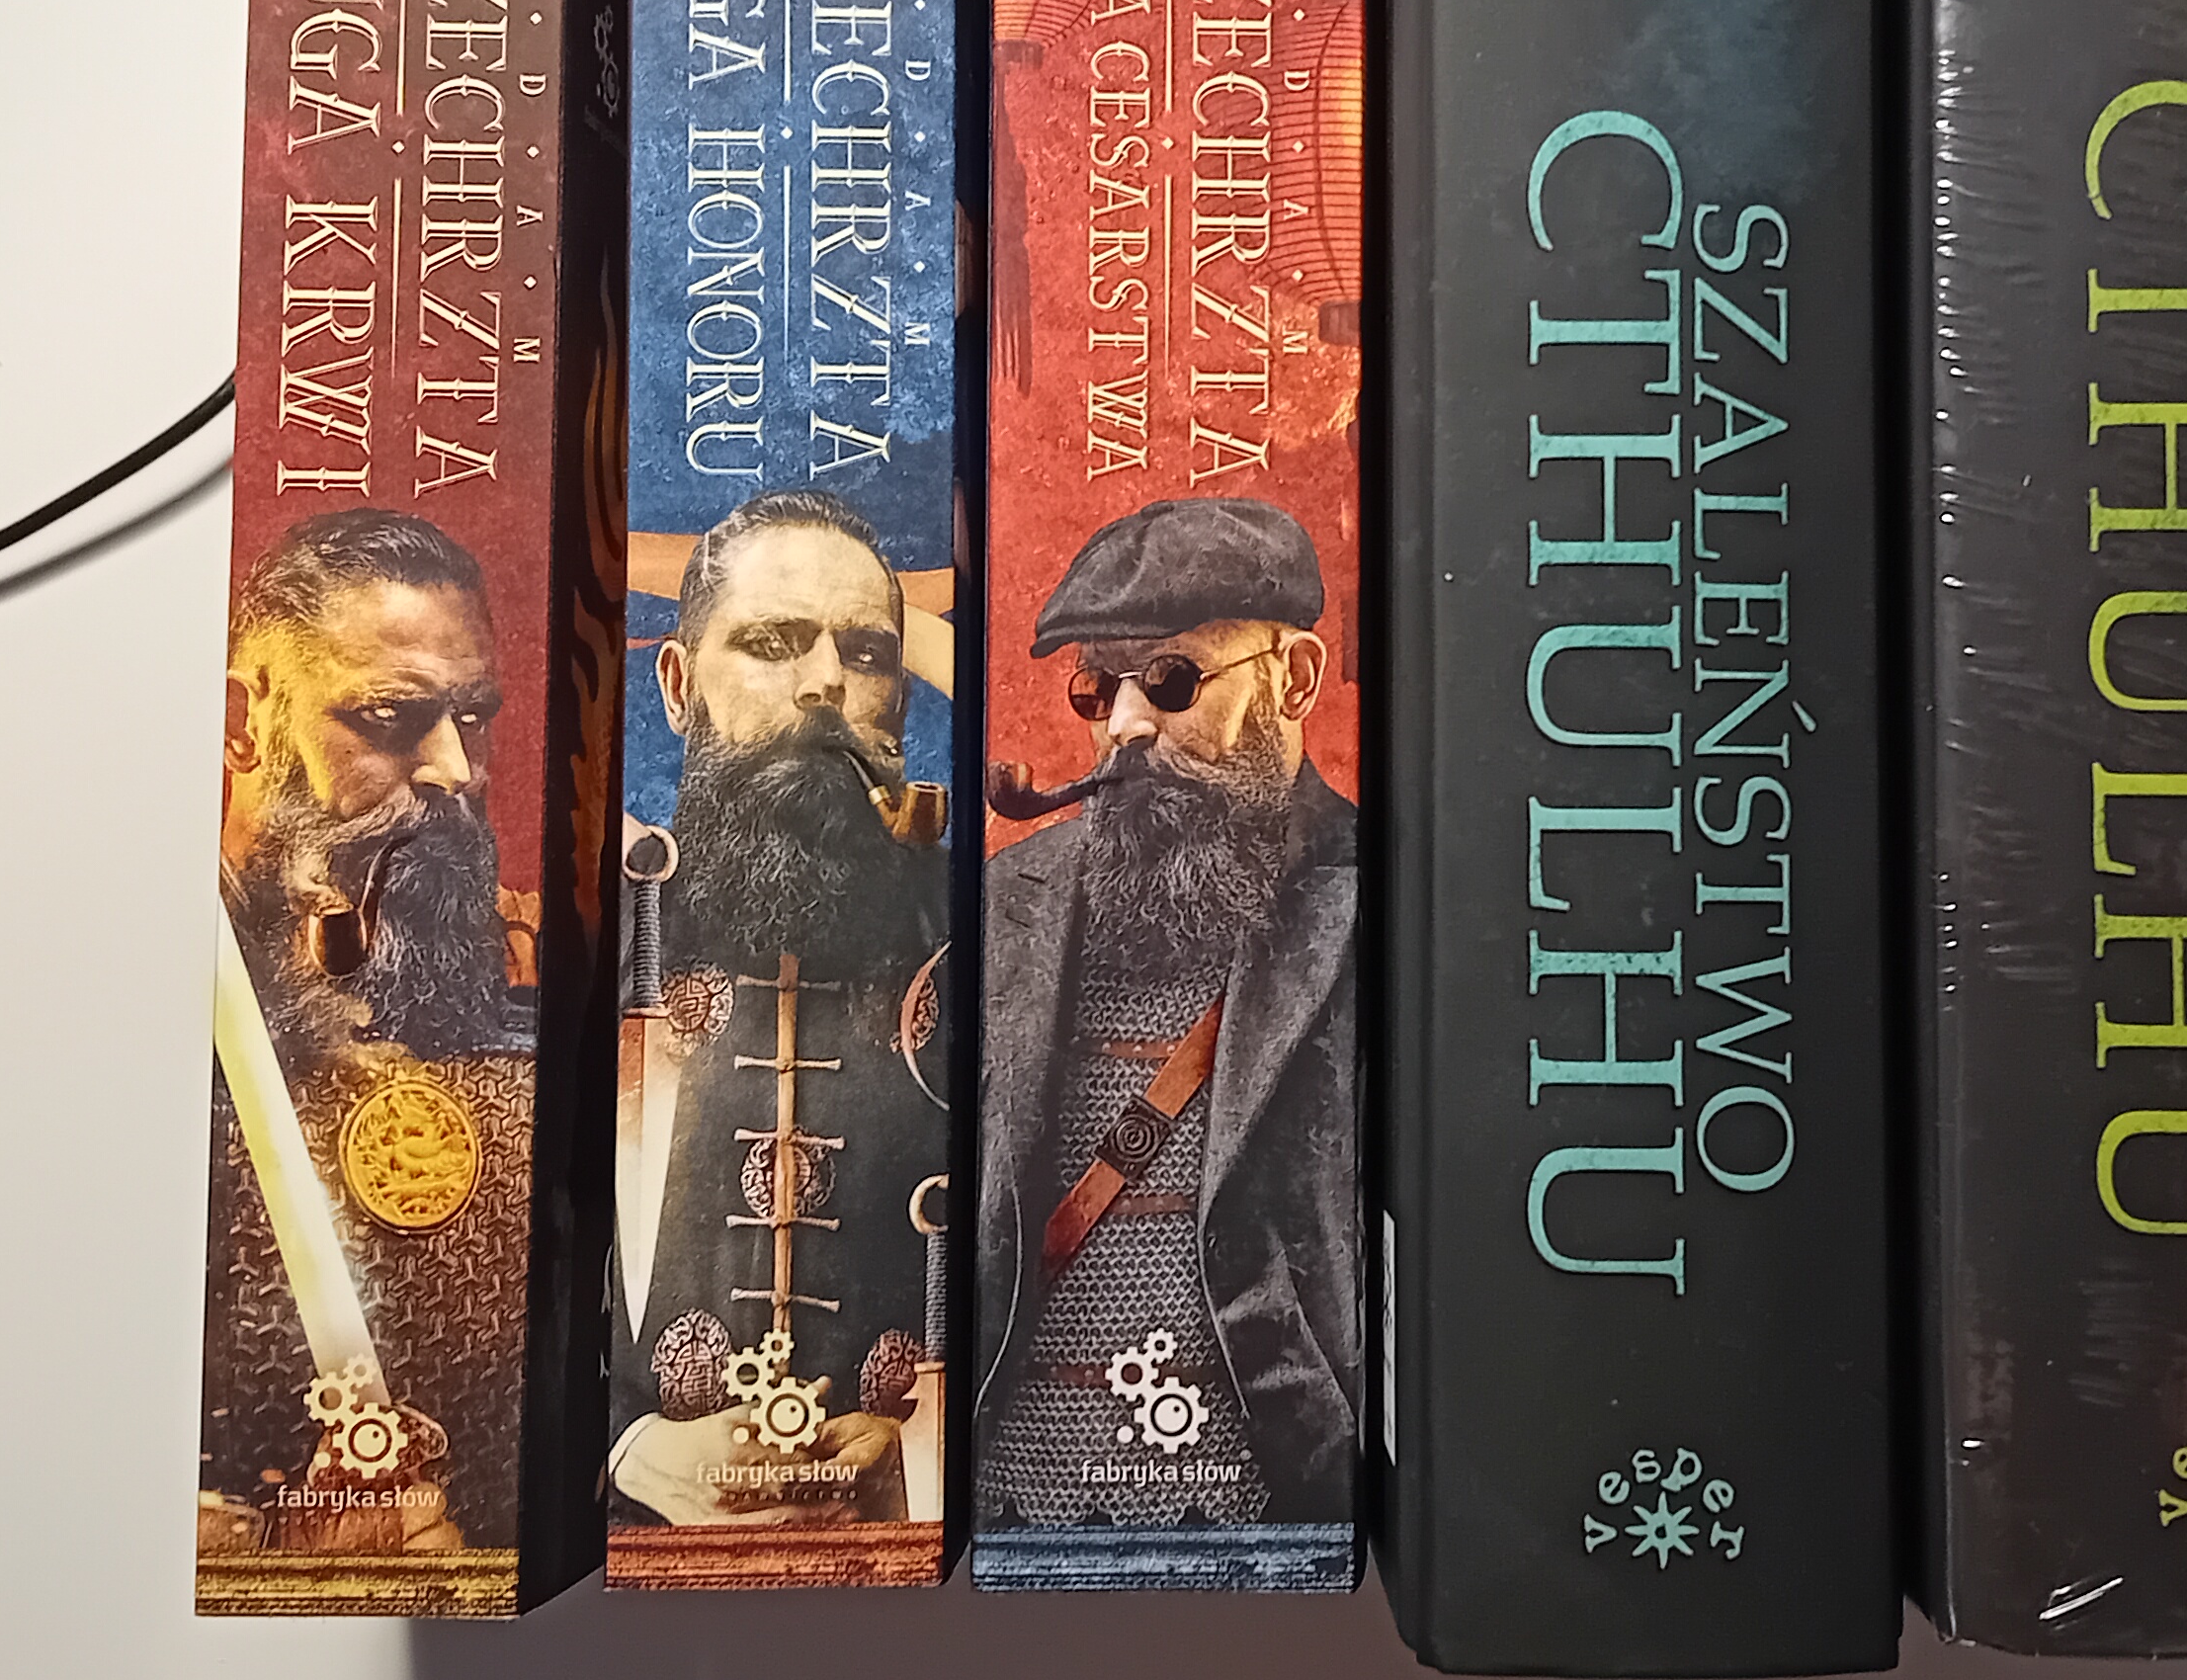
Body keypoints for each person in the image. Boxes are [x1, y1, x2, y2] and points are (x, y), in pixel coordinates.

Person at [973, 495, 1363, 1534]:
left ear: (1294, 679)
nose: (1126, 725)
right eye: (1098, 688)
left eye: (1173, 681)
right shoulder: (1008, 905)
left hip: (1281, 1507)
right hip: (1014, 1508)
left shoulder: (1389, 902)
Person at [609, 489, 953, 1533]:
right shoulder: (594, 936)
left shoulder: (983, 932)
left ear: (899, 698)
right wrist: (632, 1450)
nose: (824, 684)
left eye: (866, 652)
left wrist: (923, 1455)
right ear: (678, 686)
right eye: (771, 643)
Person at [202, 506, 533, 1557]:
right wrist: (261, 1547)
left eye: (472, 717)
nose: (455, 771)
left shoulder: (532, 992)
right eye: (390, 719)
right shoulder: (136, 1006)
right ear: (243, 723)